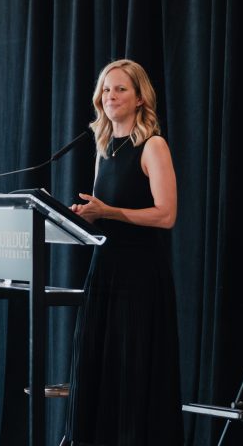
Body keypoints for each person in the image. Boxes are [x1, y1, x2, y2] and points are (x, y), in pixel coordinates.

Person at [61, 59, 183, 445]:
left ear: (140, 98)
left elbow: (166, 215)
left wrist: (108, 212)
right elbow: (106, 213)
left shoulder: (153, 145)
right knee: (100, 368)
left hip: (139, 275)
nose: (110, 96)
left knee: (133, 372)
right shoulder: (103, 149)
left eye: (120, 89)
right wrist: (84, 217)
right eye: (106, 89)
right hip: (105, 269)